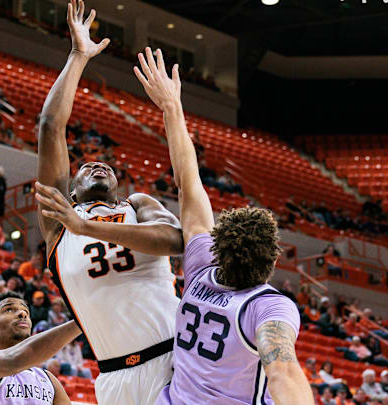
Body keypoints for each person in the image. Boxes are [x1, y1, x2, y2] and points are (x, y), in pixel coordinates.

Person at [130, 46, 312, 404]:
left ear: (219, 249)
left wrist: (172, 107)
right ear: (271, 262)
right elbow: (282, 371)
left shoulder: (200, 269)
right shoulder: (267, 306)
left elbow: (188, 182)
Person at [33, 5, 182, 404]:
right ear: (72, 193)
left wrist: (91, 228)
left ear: (117, 190)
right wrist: (78, 56)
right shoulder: (59, 224)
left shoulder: (137, 204)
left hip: (177, 359)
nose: (97, 163)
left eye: (106, 167)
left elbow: (176, 239)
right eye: (85, 167)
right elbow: (50, 128)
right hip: (115, 378)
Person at [0, 291, 79, 404]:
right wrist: (81, 323)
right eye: (9, 309)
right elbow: (13, 359)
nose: (22, 314)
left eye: (26, 311)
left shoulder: (49, 379)